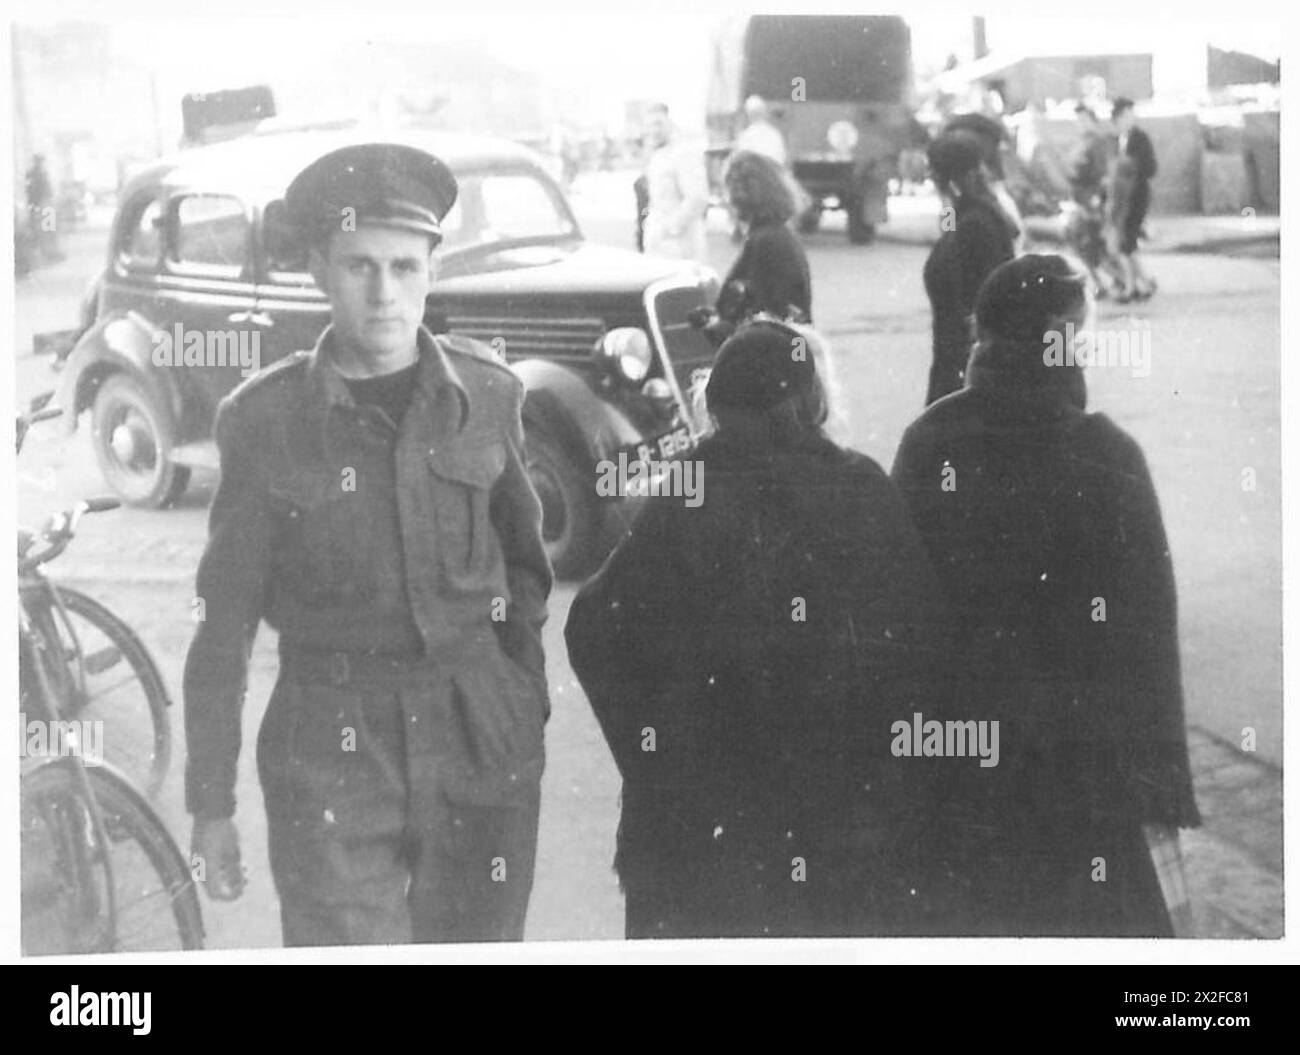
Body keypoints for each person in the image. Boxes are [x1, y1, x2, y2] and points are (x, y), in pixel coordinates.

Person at [183, 143, 553, 946]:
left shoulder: (487, 395)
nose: (385, 293)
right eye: (359, 265)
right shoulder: (264, 422)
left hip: (478, 732)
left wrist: (519, 697)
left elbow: (525, 569)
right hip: (331, 750)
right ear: (318, 266)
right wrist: (209, 801)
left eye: (404, 266)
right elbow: (222, 624)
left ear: (431, 267)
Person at [566, 320, 954, 939]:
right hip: (844, 837)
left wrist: (657, 760)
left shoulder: (686, 494)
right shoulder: (859, 489)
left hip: (705, 849)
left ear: (715, 404)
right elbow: (922, 646)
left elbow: (593, 628)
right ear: (810, 399)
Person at [891, 254, 1201, 936]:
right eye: (1077, 330)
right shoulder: (1105, 453)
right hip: (1083, 776)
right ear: (1056, 338)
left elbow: (899, 614)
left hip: (965, 770)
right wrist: (1156, 782)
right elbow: (1146, 635)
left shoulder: (928, 442)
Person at [922, 131, 1018, 406]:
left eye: (933, 172)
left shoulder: (975, 224)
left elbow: (980, 300)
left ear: (944, 177)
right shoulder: (973, 212)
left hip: (965, 364)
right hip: (961, 358)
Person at [696, 150, 811, 347]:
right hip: (792, 354)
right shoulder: (777, 235)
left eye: (726, 189)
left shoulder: (765, 242)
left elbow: (767, 318)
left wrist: (714, 328)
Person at [1065, 104, 1124, 298]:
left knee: (1091, 245)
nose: (1080, 124)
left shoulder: (1097, 144)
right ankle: (1106, 282)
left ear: (1093, 121)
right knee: (1084, 244)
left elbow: (1103, 175)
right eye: (1077, 120)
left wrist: (1096, 200)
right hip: (1080, 200)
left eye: (1084, 120)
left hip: (1091, 201)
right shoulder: (1081, 142)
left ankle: (1119, 280)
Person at [640, 102, 709, 261]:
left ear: (670, 123)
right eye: (649, 125)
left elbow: (697, 198)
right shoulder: (656, 156)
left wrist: (669, 228)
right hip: (659, 243)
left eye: (658, 124)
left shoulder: (684, 153)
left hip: (681, 243)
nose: (653, 130)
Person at [1109, 97, 1159, 301]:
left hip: (1136, 196)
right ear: (1118, 118)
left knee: (1126, 242)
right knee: (1127, 242)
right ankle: (1144, 283)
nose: (1130, 119)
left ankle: (1131, 288)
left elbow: (1151, 168)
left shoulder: (1140, 138)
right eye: (1126, 116)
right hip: (1122, 198)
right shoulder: (1119, 139)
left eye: (1131, 115)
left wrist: (1132, 169)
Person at [734, 95, 787, 167]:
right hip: (773, 176)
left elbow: (739, 163)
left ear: (748, 116)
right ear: (764, 113)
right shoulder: (775, 134)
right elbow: (782, 161)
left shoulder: (745, 137)